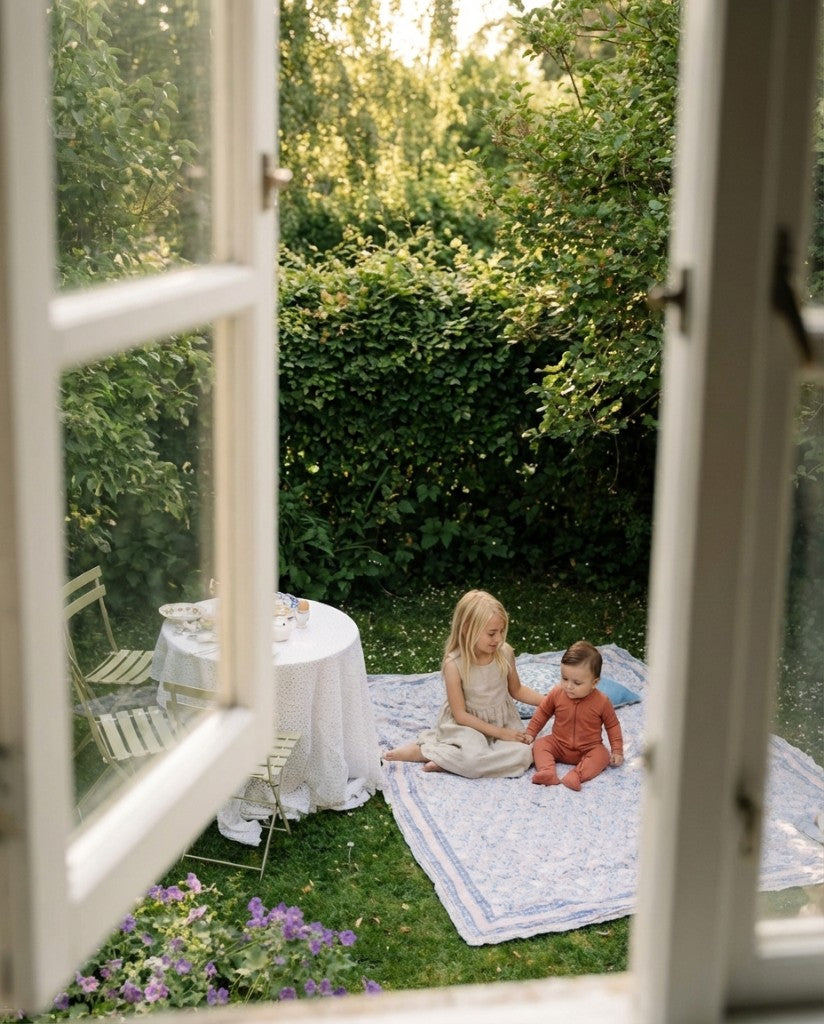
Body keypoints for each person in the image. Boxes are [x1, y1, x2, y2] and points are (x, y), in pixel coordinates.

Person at [383, 589, 544, 777]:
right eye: (492, 633)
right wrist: (500, 734)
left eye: (501, 631)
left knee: (526, 754)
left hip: (503, 720)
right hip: (467, 725)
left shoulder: (504, 653)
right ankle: (426, 752)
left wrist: (550, 701)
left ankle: (450, 761)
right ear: (468, 628)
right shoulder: (455, 664)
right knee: (473, 760)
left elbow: (517, 690)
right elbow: (460, 715)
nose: (499, 639)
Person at [525, 640, 624, 791]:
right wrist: (530, 732)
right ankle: (547, 771)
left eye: (577, 683)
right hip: (558, 744)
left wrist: (617, 750)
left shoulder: (602, 702)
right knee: (540, 745)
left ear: (594, 682)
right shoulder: (557, 693)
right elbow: (543, 713)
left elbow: (612, 726)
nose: (568, 686)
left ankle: (577, 775)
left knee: (602, 755)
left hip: (588, 748)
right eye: (564, 679)